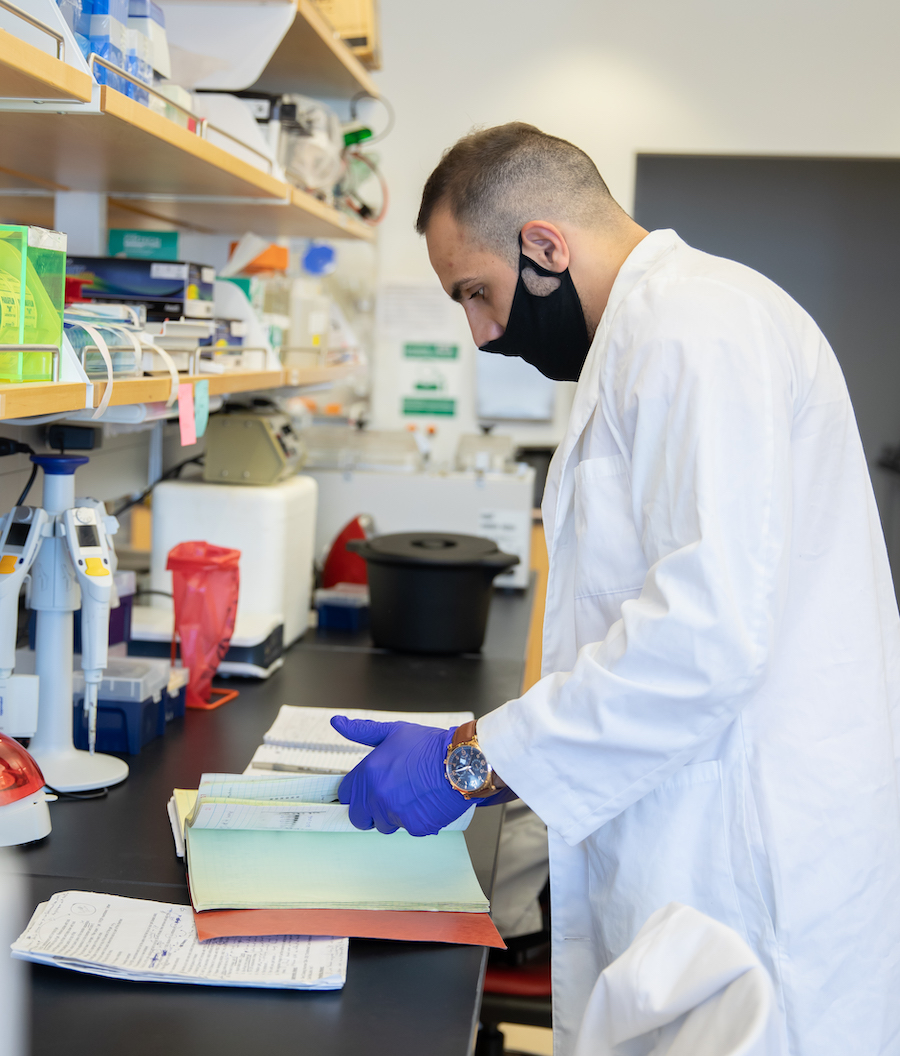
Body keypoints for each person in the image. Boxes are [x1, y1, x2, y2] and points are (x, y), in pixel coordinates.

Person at [331, 123, 900, 1056]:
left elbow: (703, 636)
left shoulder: (696, 330)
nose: (478, 333)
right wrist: (487, 754)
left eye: (477, 292)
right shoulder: (652, 337)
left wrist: (470, 763)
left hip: (750, 877)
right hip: (697, 840)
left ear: (546, 246)